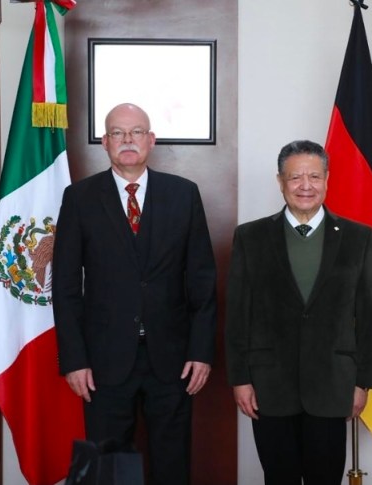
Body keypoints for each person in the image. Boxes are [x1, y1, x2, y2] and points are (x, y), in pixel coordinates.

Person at [52, 103, 217, 485]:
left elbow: (202, 280)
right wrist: (74, 360)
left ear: (151, 140)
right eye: (118, 133)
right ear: (105, 142)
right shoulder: (79, 198)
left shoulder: (184, 194)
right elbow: (65, 286)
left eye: (136, 132)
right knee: (108, 469)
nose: (128, 140)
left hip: (173, 360)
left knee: (172, 466)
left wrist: (201, 352)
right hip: (103, 362)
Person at [225, 140, 372, 485]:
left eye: (314, 176)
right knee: (278, 477)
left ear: (327, 179)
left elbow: (371, 318)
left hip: (333, 385)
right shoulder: (251, 237)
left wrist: (363, 383)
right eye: (295, 177)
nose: (305, 186)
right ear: (280, 182)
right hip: (269, 385)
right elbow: (237, 315)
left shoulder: (358, 238)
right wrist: (240, 378)